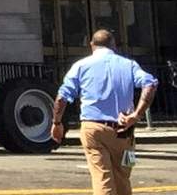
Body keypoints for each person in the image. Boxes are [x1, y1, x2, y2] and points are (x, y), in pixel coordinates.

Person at [52, 28, 158, 195]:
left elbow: (62, 97)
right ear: (113, 45)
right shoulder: (129, 65)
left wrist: (56, 123)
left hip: (94, 129)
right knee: (124, 176)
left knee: (102, 177)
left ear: (92, 45)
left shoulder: (80, 66)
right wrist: (136, 114)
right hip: (125, 132)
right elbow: (150, 84)